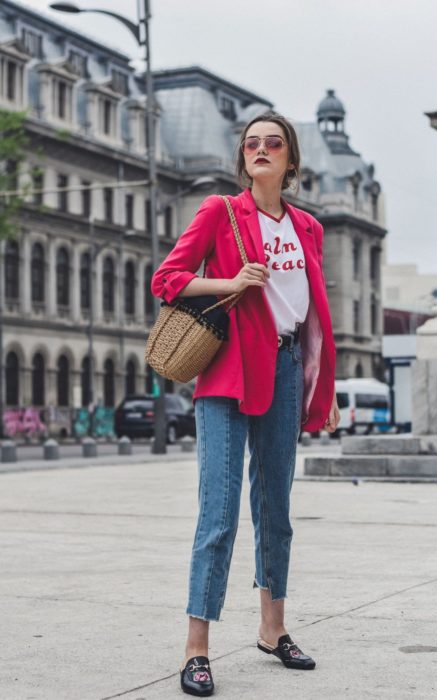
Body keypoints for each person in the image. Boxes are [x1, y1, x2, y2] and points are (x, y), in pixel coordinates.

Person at [151, 111, 340, 697]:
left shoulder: (308, 226)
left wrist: (320, 387)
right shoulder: (221, 212)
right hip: (228, 371)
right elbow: (168, 278)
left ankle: (272, 628)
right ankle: (197, 648)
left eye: (273, 142)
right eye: (251, 143)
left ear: (290, 158)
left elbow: (312, 314)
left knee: (275, 509)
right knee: (219, 511)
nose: (260, 149)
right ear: (244, 159)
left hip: (284, 370)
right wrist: (229, 284)